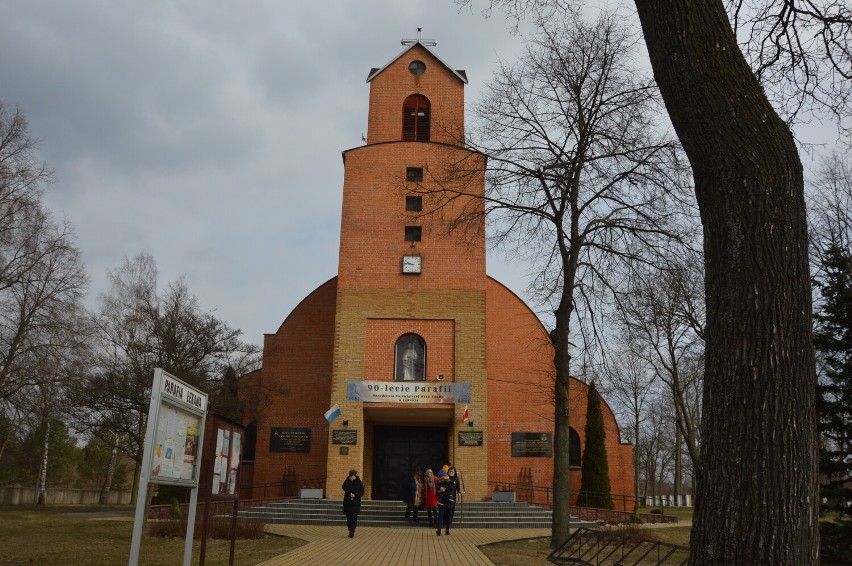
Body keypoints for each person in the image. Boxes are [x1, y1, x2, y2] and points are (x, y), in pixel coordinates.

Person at [342, 469, 364, 538]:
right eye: (351, 476)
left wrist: (356, 495)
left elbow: (362, 492)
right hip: (348, 503)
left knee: (354, 517)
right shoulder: (347, 481)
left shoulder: (358, 482)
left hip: (355, 503)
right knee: (348, 517)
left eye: (353, 476)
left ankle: (352, 531)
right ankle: (350, 529)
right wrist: (349, 481)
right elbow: (344, 487)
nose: (353, 477)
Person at [434, 469, 457, 536]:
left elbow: (452, 488)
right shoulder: (441, 478)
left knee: (449, 516)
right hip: (441, 499)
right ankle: (439, 530)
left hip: (449, 500)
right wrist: (439, 488)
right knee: (441, 514)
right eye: (450, 471)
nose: (451, 472)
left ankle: (447, 529)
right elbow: (436, 486)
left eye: (453, 471)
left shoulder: (454, 480)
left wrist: (445, 489)